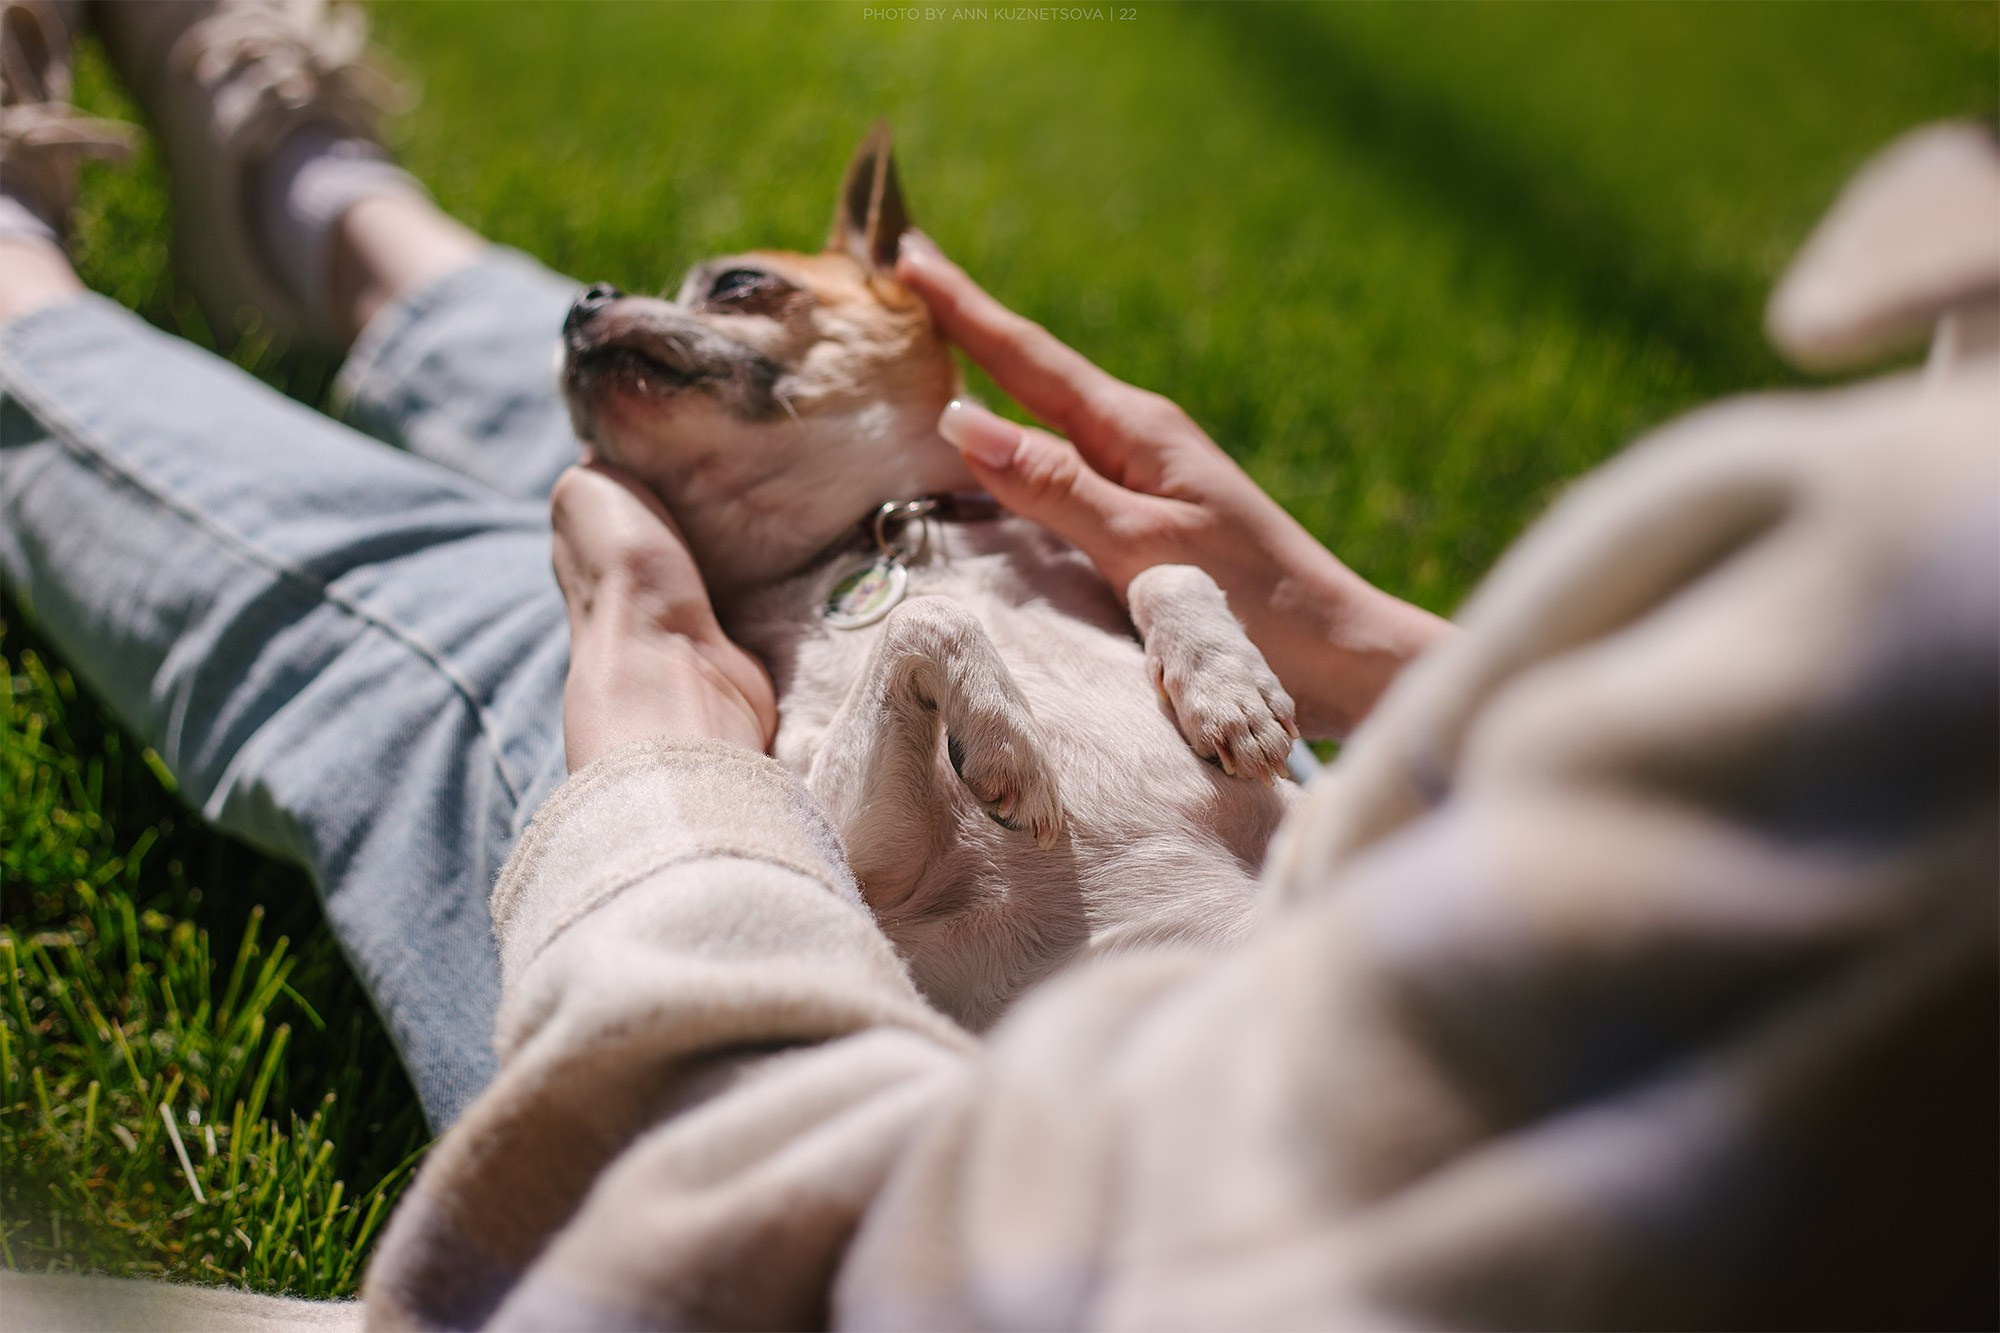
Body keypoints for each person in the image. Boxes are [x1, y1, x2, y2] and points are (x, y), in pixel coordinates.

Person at [0, 2, 1992, 1329]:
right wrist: (1381, 654)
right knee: (667, 426)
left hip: (906, 1074)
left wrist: (665, 761)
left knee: (464, 620)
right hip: (1162, 902)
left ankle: (39, 291)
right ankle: (332, 219)